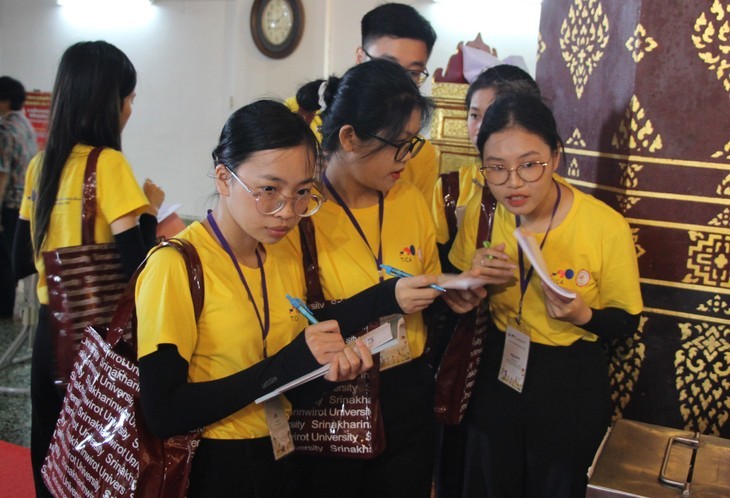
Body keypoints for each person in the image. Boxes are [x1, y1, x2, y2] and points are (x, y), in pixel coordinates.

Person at [136, 99, 443, 497]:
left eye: (302, 193)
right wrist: (289, 363)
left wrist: (324, 372)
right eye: (268, 191)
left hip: (280, 458)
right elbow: (163, 412)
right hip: (211, 466)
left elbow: (289, 385)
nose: (287, 212)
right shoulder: (175, 266)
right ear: (224, 179)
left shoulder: (281, 252)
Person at [289, 59, 484, 498]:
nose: (406, 160)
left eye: (412, 144)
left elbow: (424, 283)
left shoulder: (410, 199)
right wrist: (386, 297)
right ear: (349, 137)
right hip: (334, 399)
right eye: (396, 145)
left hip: (409, 389)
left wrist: (451, 295)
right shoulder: (302, 213)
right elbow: (286, 326)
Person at [449, 93, 643, 497]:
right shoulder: (484, 215)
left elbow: (626, 323)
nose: (513, 183)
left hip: (568, 381)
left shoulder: (605, 226)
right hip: (498, 370)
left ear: (555, 157)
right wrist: (469, 289)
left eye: (529, 166)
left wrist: (581, 316)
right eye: (496, 169)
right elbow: (455, 295)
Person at [12, 40, 164, 498]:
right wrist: (151, 212)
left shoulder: (42, 166)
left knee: (49, 449)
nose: (130, 109)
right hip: (97, 340)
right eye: (130, 99)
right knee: (97, 454)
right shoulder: (108, 164)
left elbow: (20, 258)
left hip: (49, 339)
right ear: (109, 101)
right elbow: (137, 264)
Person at [289, 2, 440, 202]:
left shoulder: (420, 154)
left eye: (413, 73)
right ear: (360, 57)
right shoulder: (298, 116)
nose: (399, 82)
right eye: (387, 65)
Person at [432, 64, 540, 266]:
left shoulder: (542, 187)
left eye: (493, 115)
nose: (481, 127)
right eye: (474, 115)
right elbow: (437, 266)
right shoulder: (450, 189)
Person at [0, 76, 37, 318]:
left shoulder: (4, 129)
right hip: (25, 204)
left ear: (4, 101)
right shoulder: (26, 125)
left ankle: (3, 308)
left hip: (9, 205)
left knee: (3, 259)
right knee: (9, 257)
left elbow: (1, 175)